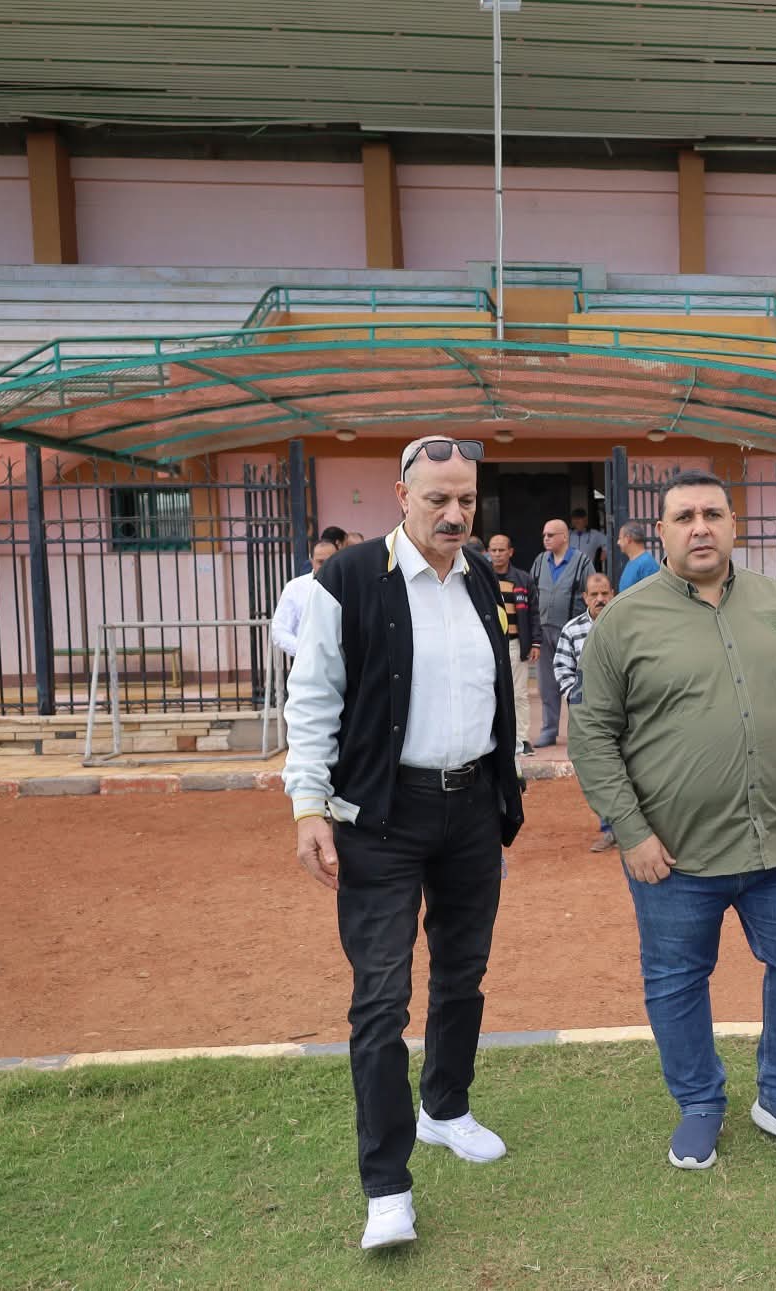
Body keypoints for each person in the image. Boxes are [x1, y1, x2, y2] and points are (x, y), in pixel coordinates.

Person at [284, 434, 525, 1251]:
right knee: (382, 998)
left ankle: (445, 1106)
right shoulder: (348, 580)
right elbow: (313, 698)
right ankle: (386, 1185)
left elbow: (493, 687)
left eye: (467, 499)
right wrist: (308, 806)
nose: (455, 514)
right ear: (401, 495)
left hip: (470, 810)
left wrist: (506, 786)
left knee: (463, 971)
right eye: (438, 499)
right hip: (381, 817)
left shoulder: (482, 576)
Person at [571, 469, 776, 1173]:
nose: (700, 527)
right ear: (661, 532)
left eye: (713, 514)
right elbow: (592, 735)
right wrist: (630, 830)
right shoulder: (624, 620)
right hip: (674, 855)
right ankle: (699, 1102)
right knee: (675, 980)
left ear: (733, 524)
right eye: (684, 516)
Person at [553, 570, 617, 852]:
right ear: (585, 597)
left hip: (626, 713)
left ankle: (633, 828)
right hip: (590, 718)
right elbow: (562, 669)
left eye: (604, 593)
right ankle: (609, 829)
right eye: (594, 594)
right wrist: (579, 701)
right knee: (600, 770)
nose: (600, 599)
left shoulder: (625, 626)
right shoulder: (572, 630)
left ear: (612, 594)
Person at [528, 519, 595, 748]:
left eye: (550, 535)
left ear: (564, 537)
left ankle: (580, 731)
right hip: (544, 630)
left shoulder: (582, 562)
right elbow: (532, 593)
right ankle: (549, 730)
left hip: (572, 633)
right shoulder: (540, 561)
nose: (545, 539)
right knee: (547, 684)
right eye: (544, 535)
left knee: (577, 682)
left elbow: (592, 592)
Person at [486, 533, 540, 755]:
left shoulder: (523, 579)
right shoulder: (482, 578)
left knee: (519, 694)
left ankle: (522, 739)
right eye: (493, 550)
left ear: (510, 552)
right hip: (488, 646)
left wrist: (535, 642)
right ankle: (492, 740)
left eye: (501, 550)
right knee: (489, 693)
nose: (497, 554)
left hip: (515, 644)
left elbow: (534, 612)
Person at [270, 540, 338, 658]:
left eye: (330, 561)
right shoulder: (295, 588)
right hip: (306, 661)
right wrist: (304, 650)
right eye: (320, 562)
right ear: (311, 561)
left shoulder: (349, 585)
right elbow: (279, 629)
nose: (326, 566)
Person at [615, 523, 659, 593]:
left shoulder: (647, 564)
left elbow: (653, 593)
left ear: (628, 539)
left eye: (620, 538)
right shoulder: (632, 561)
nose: (618, 542)